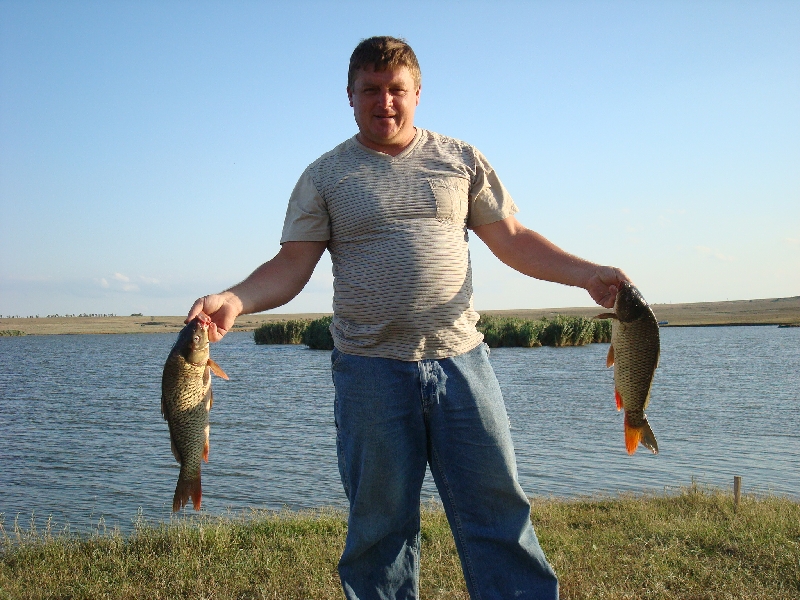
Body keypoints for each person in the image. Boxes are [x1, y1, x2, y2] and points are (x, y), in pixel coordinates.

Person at [187, 36, 628, 600]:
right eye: (370, 89)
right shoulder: (324, 176)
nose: (385, 102)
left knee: (499, 513)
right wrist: (235, 299)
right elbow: (291, 265)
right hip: (370, 372)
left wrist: (588, 274)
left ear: (418, 93)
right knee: (380, 530)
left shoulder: (461, 160)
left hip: (462, 362)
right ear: (349, 95)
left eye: (396, 89)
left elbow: (514, 240)